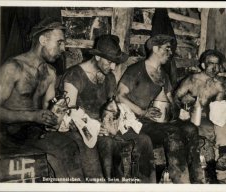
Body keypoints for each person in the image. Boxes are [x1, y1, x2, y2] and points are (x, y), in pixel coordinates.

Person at [60, 34, 155, 183]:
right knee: (107, 145)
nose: (112, 67)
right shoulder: (74, 75)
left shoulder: (109, 77)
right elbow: (68, 114)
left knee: (144, 140)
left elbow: (111, 106)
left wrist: (113, 121)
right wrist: (95, 127)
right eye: (109, 62)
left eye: (115, 63)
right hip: (81, 129)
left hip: (104, 127)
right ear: (97, 57)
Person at [0, 17, 84, 181]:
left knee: (74, 144)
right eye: (59, 42)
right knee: (62, 151)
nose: (63, 48)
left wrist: (55, 120)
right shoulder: (13, 67)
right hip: (7, 136)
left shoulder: (50, 73)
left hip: (34, 133)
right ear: (43, 40)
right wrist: (32, 116)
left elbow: (49, 111)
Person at [117, 34, 200, 183]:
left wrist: (181, 107)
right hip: (140, 123)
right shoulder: (135, 70)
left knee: (191, 128)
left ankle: (198, 181)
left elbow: (169, 100)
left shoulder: (164, 75)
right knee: (172, 132)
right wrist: (142, 111)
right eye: (167, 49)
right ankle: (182, 182)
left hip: (161, 123)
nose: (170, 53)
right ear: (155, 48)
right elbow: (119, 96)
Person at [174, 49, 226, 180]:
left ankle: (224, 158)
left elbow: (217, 111)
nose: (214, 67)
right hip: (188, 118)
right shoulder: (191, 80)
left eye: (217, 64)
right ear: (203, 65)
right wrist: (183, 106)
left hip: (206, 119)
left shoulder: (218, 86)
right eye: (210, 63)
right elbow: (175, 98)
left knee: (224, 124)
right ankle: (220, 175)